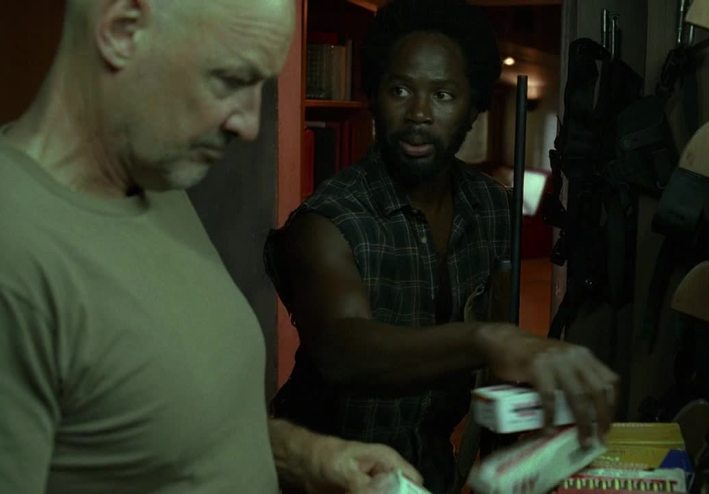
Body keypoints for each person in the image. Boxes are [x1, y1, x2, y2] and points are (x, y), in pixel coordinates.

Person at [0, 0, 421, 492]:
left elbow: (157, 427)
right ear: (122, 31)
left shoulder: (156, 177)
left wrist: (308, 455)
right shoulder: (15, 249)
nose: (249, 125)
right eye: (230, 80)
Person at [264, 0, 619, 491]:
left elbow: (496, 351)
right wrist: (486, 340)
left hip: (432, 471)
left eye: (444, 95)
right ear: (374, 98)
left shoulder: (492, 207)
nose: (419, 113)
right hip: (327, 477)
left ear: (473, 108)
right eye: (400, 90)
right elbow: (342, 350)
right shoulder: (327, 220)